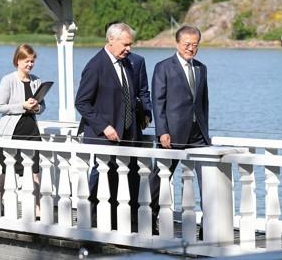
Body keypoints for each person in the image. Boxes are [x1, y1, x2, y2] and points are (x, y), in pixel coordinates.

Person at [75, 22, 139, 229]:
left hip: (127, 134)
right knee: (102, 179)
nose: (129, 49)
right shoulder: (96, 65)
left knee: (123, 180)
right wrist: (104, 126)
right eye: (125, 44)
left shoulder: (126, 63)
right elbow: (82, 102)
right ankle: (91, 223)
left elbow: (128, 97)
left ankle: (117, 222)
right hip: (103, 136)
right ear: (111, 40)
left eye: (130, 44)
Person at [149, 25, 210, 234]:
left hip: (198, 134)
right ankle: (149, 217)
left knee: (208, 180)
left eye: (195, 45)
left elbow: (203, 103)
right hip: (172, 134)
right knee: (161, 177)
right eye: (187, 44)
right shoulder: (163, 67)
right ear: (177, 43)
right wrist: (162, 131)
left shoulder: (201, 68)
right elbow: (158, 102)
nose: (191, 49)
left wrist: (205, 131)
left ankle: (207, 225)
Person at [0, 44, 45, 213]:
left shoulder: (36, 80)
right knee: (7, 170)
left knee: (35, 171)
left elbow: (42, 107)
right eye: (26, 61)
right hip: (12, 132)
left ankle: (37, 209)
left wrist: (36, 107)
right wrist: (23, 106)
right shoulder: (7, 80)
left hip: (32, 131)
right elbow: (0, 106)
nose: (30, 64)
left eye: (32, 61)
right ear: (17, 60)